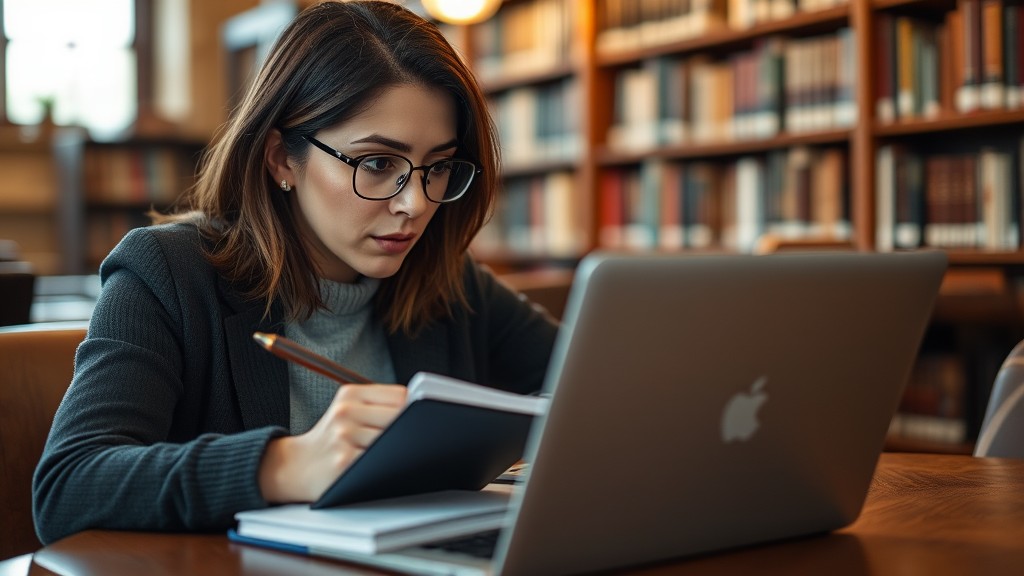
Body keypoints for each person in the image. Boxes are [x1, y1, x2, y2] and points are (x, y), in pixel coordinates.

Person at [33, 0, 558, 544]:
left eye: (439, 166)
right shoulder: (167, 273)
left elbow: (589, 387)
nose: (416, 204)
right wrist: (286, 465)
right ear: (282, 157)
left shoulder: (447, 280)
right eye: (378, 164)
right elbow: (68, 486)